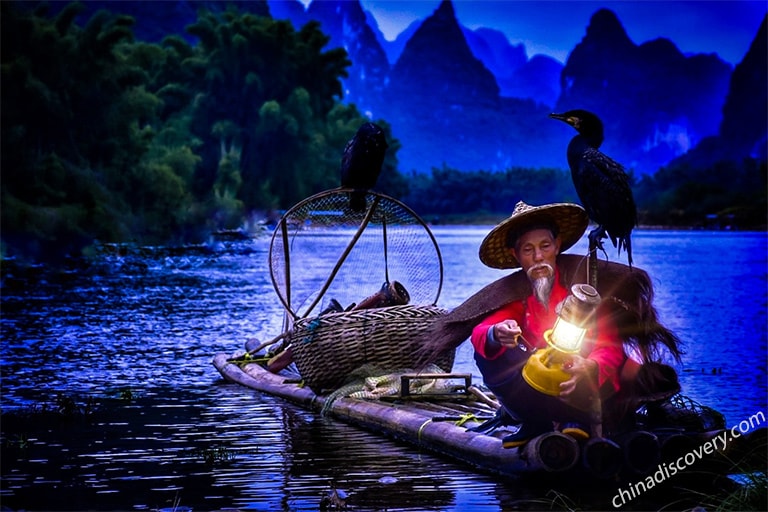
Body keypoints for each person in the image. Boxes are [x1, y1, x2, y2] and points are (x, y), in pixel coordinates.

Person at [416, 201, 683, 448]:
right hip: (537, 392)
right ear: (516, 255)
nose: (538, 257)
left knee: (597, 359)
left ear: (557, 246)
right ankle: (535, 423)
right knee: (487, 352)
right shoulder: (516, 295)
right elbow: (481, 332)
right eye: (528, 250)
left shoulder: (583, 289)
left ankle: (578, 421)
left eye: (545, 246)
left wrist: (591, 367)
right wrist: (498, 333)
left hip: (584, 389)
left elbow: (609, 345)